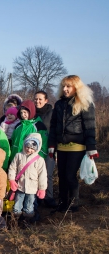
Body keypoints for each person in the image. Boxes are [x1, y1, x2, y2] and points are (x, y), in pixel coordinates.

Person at [48, 75, 98, 212]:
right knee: (62, 176)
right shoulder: (58, 104)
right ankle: (63, 203)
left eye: (68, 86)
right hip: (61, 146)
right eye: (63, 86)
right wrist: (52, 145)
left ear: (76, 87)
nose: (65, 89)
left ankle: (73, 204)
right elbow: (53, 126)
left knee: (70, 175)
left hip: (77, 146)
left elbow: (89, 127)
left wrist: (91, 147)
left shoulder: (85, 103)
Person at [8, 133, 47, 221]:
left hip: (32, 188)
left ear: (37, 148)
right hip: (20, 186)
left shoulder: (40, 160)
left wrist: (42, 189)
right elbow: (12, 168)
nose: (29, 150)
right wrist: (11, 179)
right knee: (17, 204)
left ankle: (28, 221)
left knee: (29, 205)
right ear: (24, 145)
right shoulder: (19, 156)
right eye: (27, 147)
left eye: (32, 148)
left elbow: (42, 175)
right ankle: (15, 220)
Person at [34, 90, 56, 208]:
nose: (37, 101)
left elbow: (55, 130)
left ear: (46, 100)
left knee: (48, 173)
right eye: (36, 99)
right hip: (34, 150)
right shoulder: (32, 113)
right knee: (36, 174)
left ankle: (49, 197)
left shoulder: (51, 113)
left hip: (49, 148)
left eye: (40, 99)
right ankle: (38, 197)